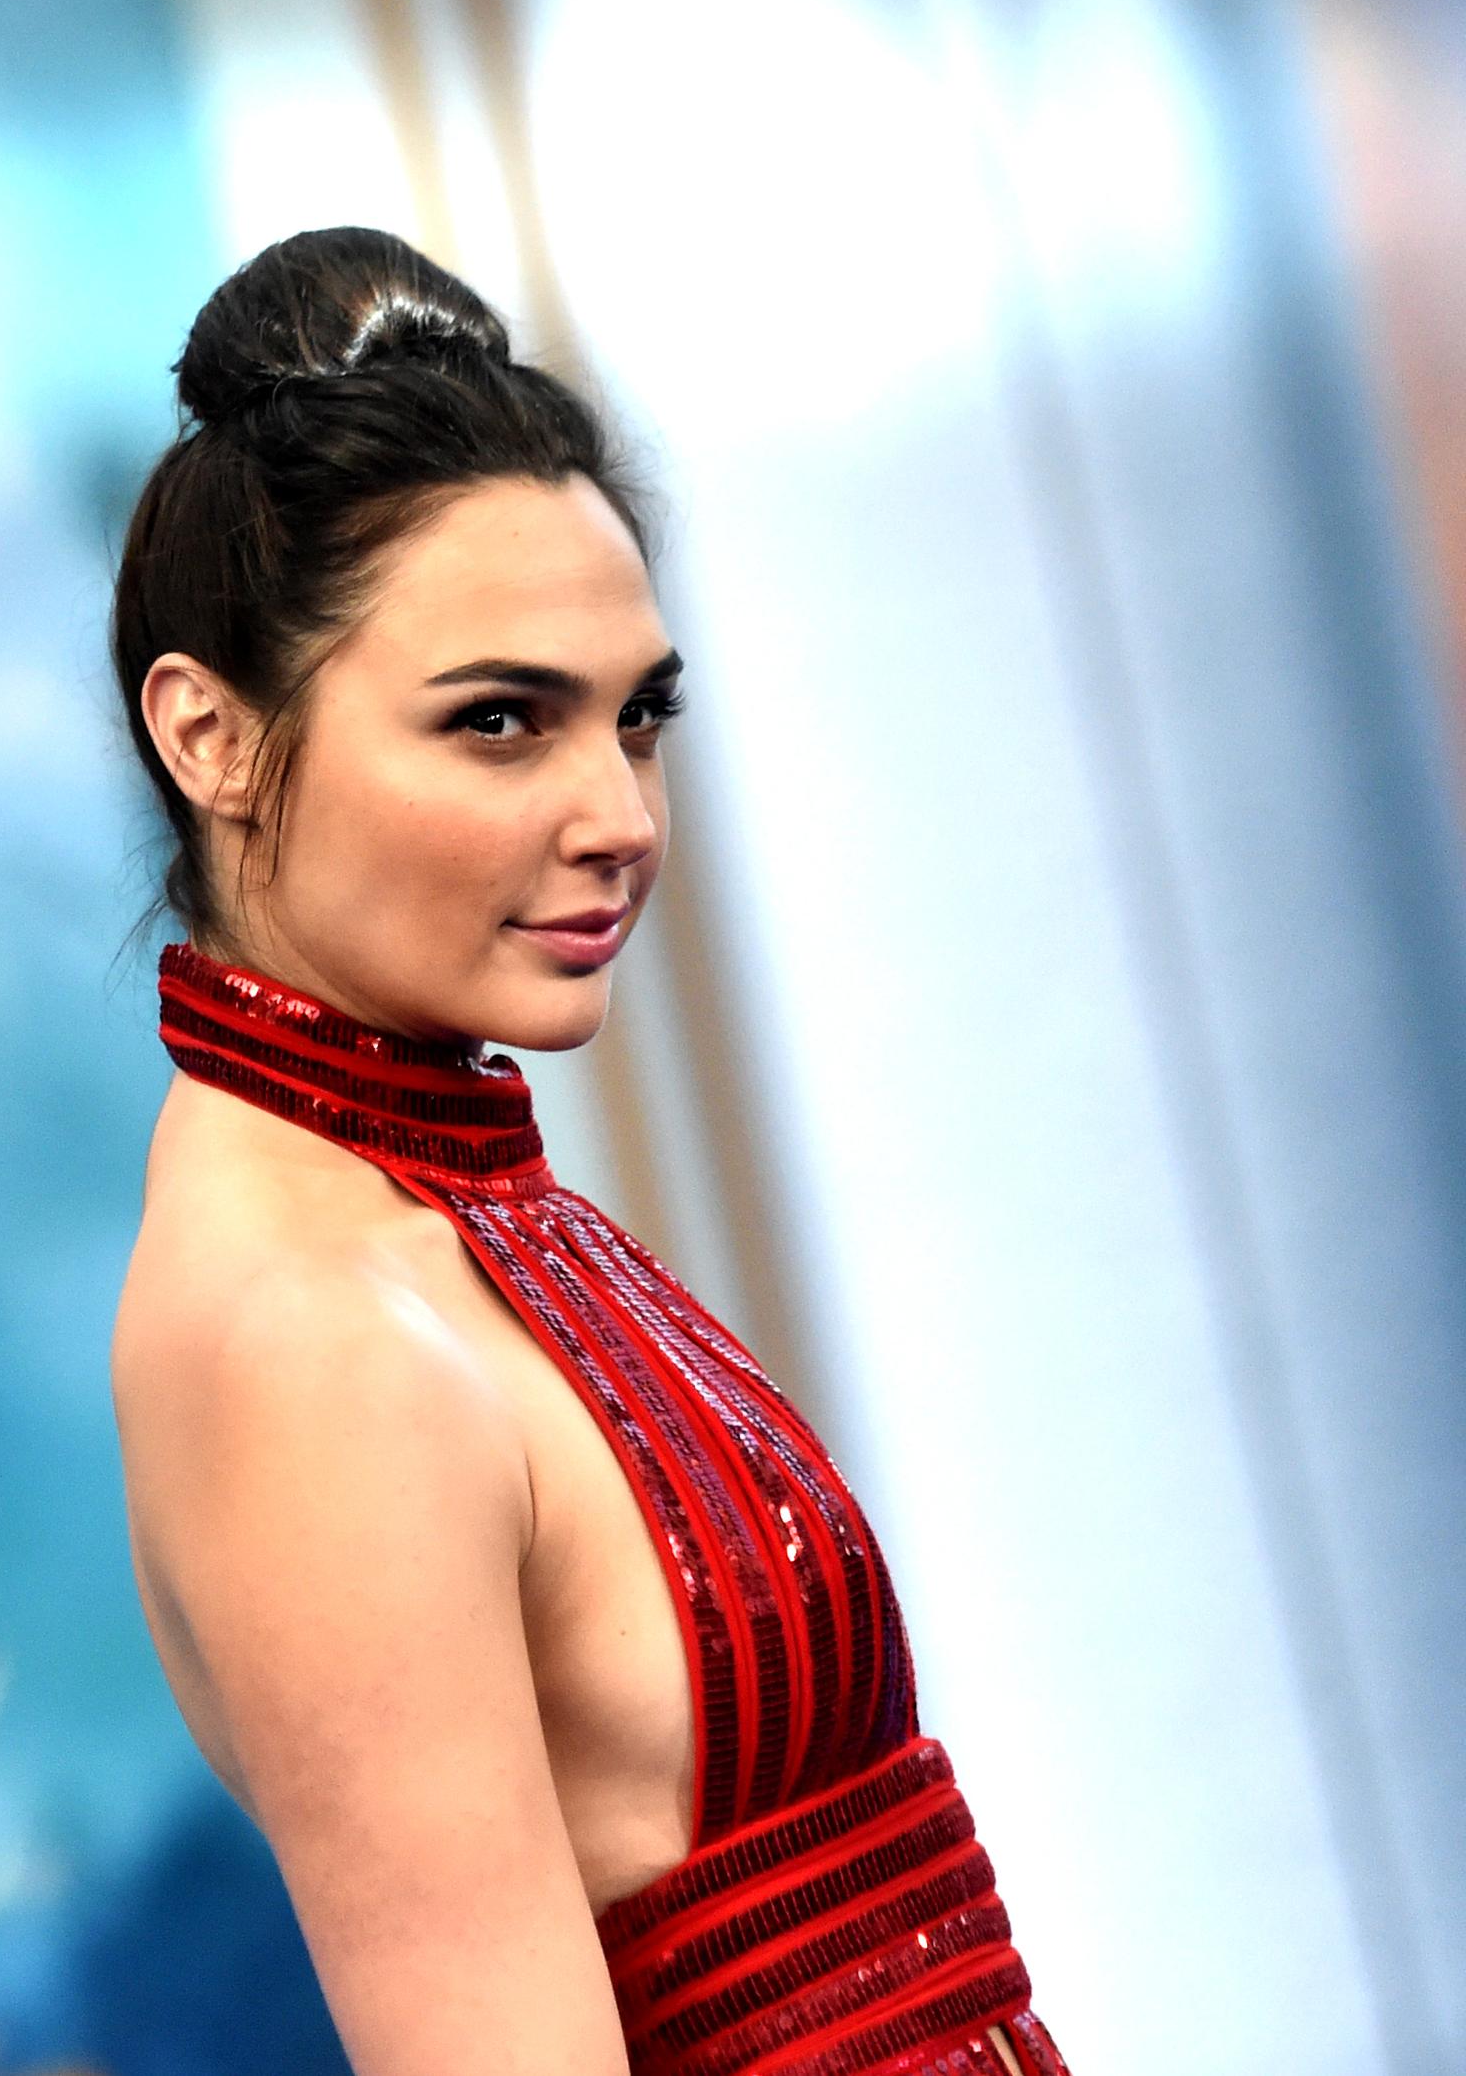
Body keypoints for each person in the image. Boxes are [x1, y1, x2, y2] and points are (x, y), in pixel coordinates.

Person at [102, 229, 1065, 2076]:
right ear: (210, 735)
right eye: (500, 722)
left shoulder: (445, 1221)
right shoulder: (314, 1342)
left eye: (637, 720)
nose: (619, 814)